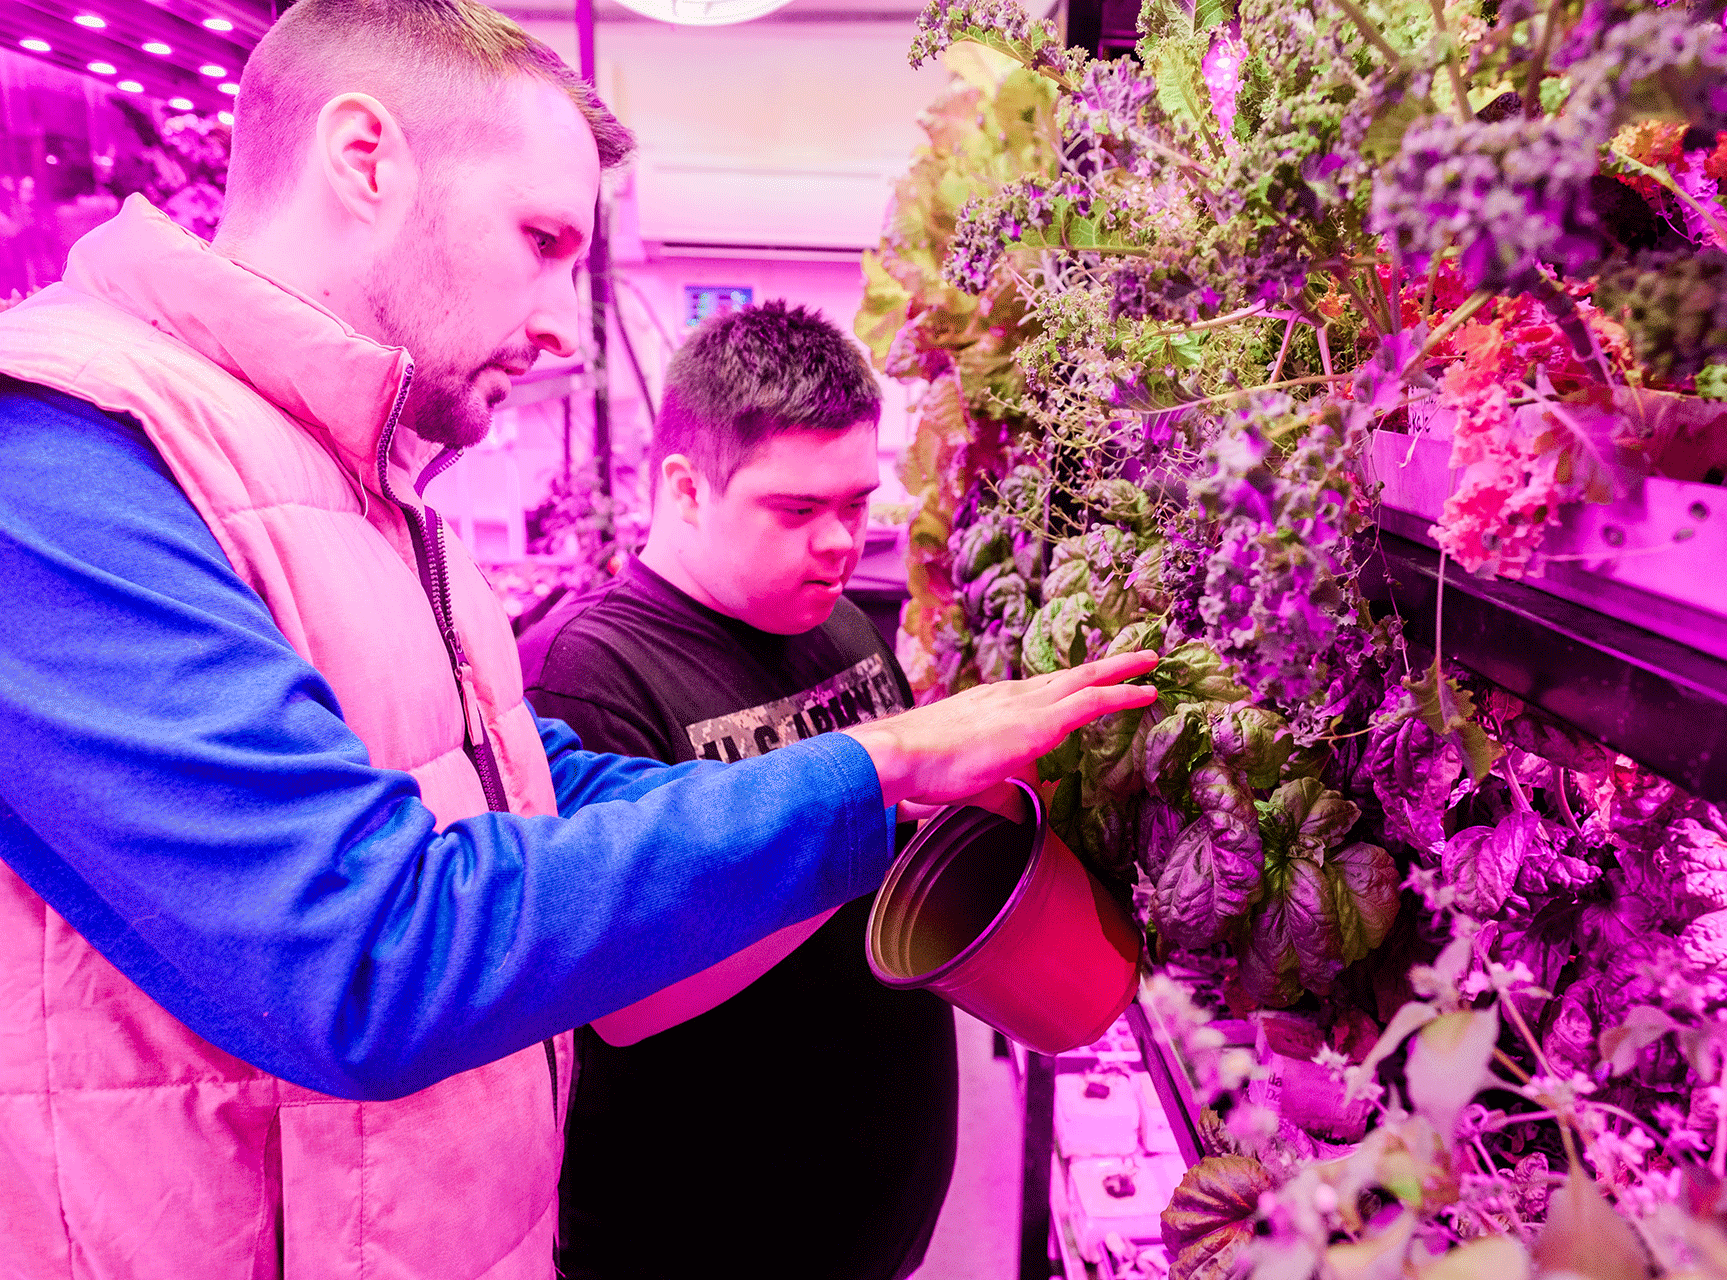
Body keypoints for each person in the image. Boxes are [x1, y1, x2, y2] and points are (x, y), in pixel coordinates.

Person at [0, 2, 1158, 1277]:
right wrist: (873, 770)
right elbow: (366, 949)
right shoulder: (66, 458)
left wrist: (905, 771)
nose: (564, 323)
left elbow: (536, 796)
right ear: (364, 157)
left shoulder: (374, 499)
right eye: (541, 239)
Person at [520, 301, 954, 1280]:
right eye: (798, 510)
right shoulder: (588, 676)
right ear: (684, 486)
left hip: (868, 1224)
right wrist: (878, 809)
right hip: (699, 1240)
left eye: (856, 501)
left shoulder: (840, 627)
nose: (842, 541)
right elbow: (624, 996)